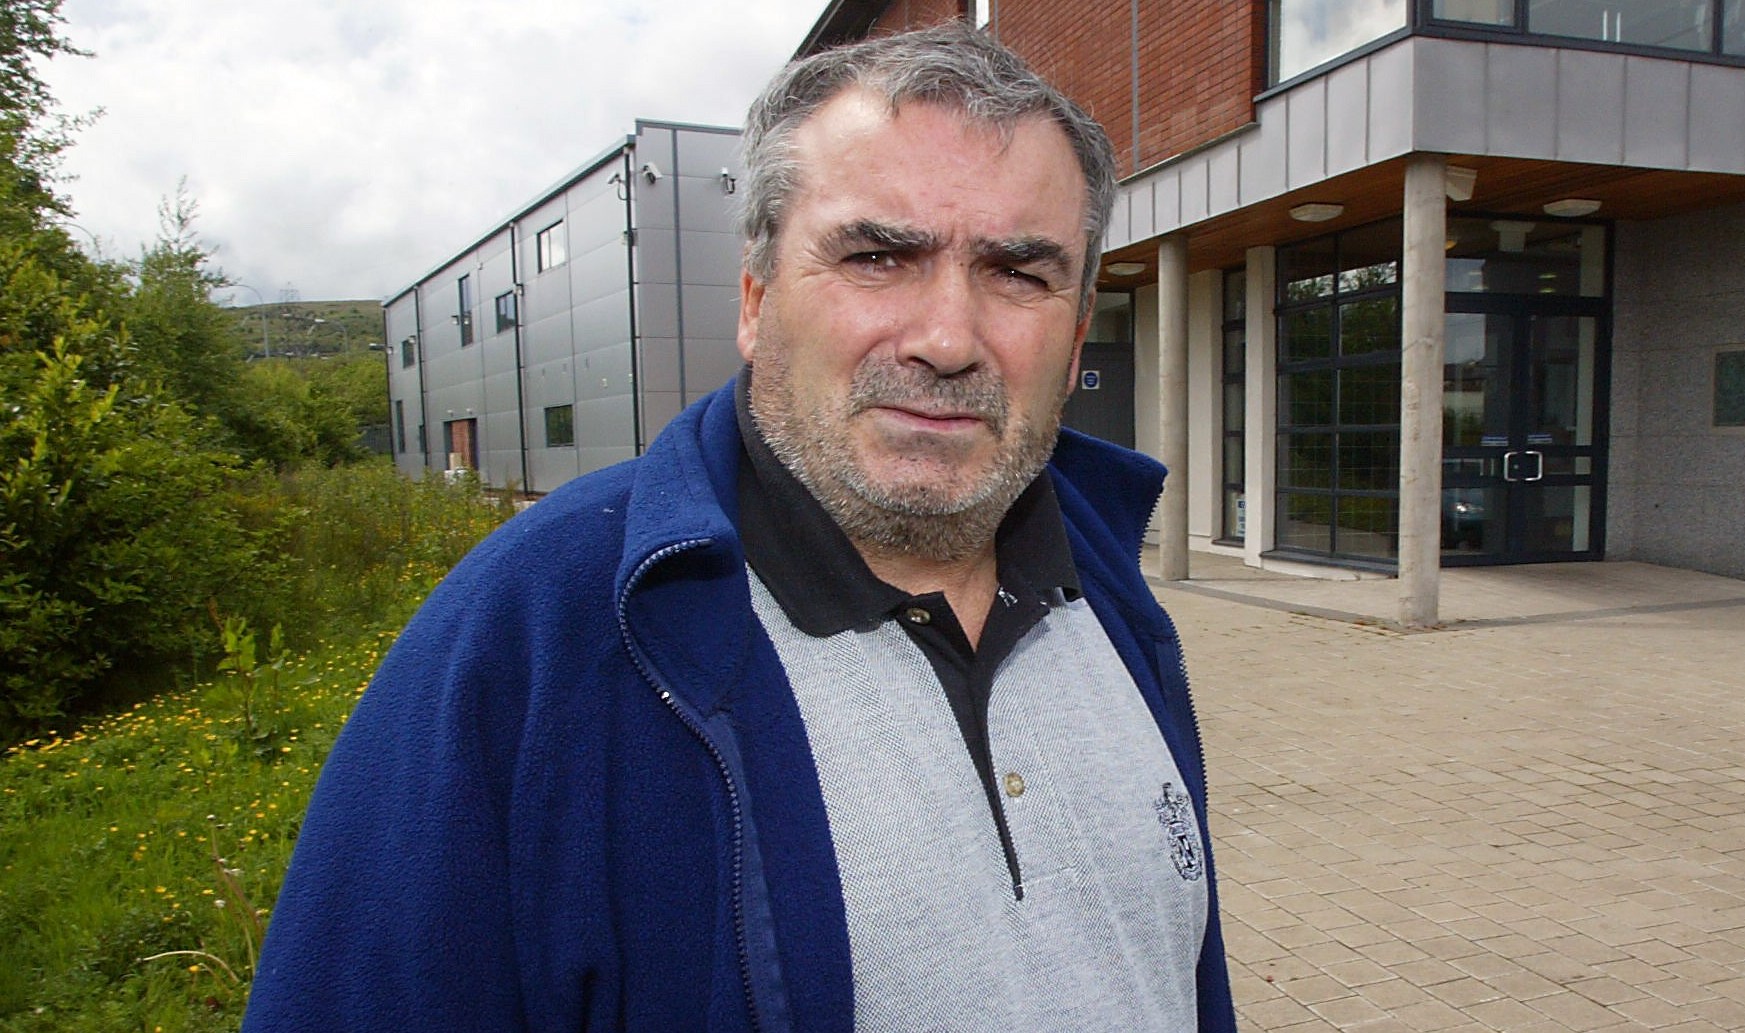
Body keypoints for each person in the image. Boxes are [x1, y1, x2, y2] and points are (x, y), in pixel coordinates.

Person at [245, 22, 1236, 1032]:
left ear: (1073, 344)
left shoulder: (1109, 593)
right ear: (756, 302)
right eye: (877, 255)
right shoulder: (534, 637)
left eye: (1018, 273)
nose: (946, 338)